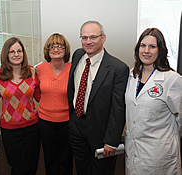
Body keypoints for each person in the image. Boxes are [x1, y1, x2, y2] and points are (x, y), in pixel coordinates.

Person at [67, 20, 129, 175]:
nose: (88, 42)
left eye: (93, 37)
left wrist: (112, 140)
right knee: (81, 168)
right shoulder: (78, 55)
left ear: (104, 38)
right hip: (77, 126)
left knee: (102, 171)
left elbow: (118, 108)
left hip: (101, 132)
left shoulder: (118, 69)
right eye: (84, 37)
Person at [125, 28, 182, 174]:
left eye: (152, 47)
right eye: (143, 46)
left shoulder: (172, 79)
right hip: (133, 151)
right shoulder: (132, 76)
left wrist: (167, 140)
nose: (146, 51)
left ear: (160, 51)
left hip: (160, 155)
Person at [0, 37, 41, 175]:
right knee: (17, 166)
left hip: (32, 127)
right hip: (10, 130)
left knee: (32, 165)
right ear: (6, 55)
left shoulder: (32, 72)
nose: (16, 54)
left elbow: (40, 97)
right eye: (12, 51)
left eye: (19, 51)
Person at [37, 33, 73, 175]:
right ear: (47, 49)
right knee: (50, 159)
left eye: (59, 46)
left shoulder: (73, 69)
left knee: (66, 159)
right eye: (52, 46)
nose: (56, 49)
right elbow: (36, 91)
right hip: (45, 122)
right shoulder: (40, 69)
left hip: (67, 122)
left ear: (65, 49)